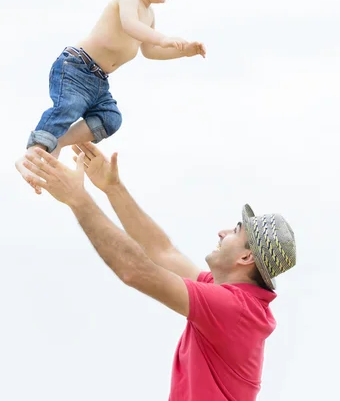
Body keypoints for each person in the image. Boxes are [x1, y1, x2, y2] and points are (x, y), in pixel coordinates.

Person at [22, 143, 297, 401]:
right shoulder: (234, 300)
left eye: (235, 231)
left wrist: (78, 199)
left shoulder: (233, 310)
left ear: (247, 256)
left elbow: (135, 271)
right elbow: (163, 251)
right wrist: (113, 187)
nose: (222, 232)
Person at [15, 0, 206, 194]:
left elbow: (149, 51)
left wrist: (183, 52)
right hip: (76, 68)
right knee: (68, 107)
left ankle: (57, 141)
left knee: (110, 119)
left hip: (98, 82)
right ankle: (31, 153)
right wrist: (164, 38)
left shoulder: (149, 15)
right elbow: (129, 25)